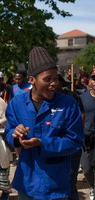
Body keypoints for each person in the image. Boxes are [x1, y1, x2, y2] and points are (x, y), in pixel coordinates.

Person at [5, 47, 84, 199]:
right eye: (47, 79)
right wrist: (15, 134)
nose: (53, 83)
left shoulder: (68, 104)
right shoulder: (17, 104)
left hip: (55, 185)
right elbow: (8, 131)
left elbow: (75, 141)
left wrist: (42, 143)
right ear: (32, 80)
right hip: (26, 183)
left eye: (55, 78)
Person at [57, 67, 85, 200]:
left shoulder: (72, 97)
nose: (53, 83)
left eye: (56, 80)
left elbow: (82, 115)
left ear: (62, 83)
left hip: (72, 146)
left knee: (71, 180)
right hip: (55, 147)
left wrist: (76, 132)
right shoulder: (46, 99)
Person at [80, 70, 95, 200]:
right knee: (87, 168)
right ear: (90, 81)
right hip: (87, 139)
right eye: (94, 78)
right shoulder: (82, 98)